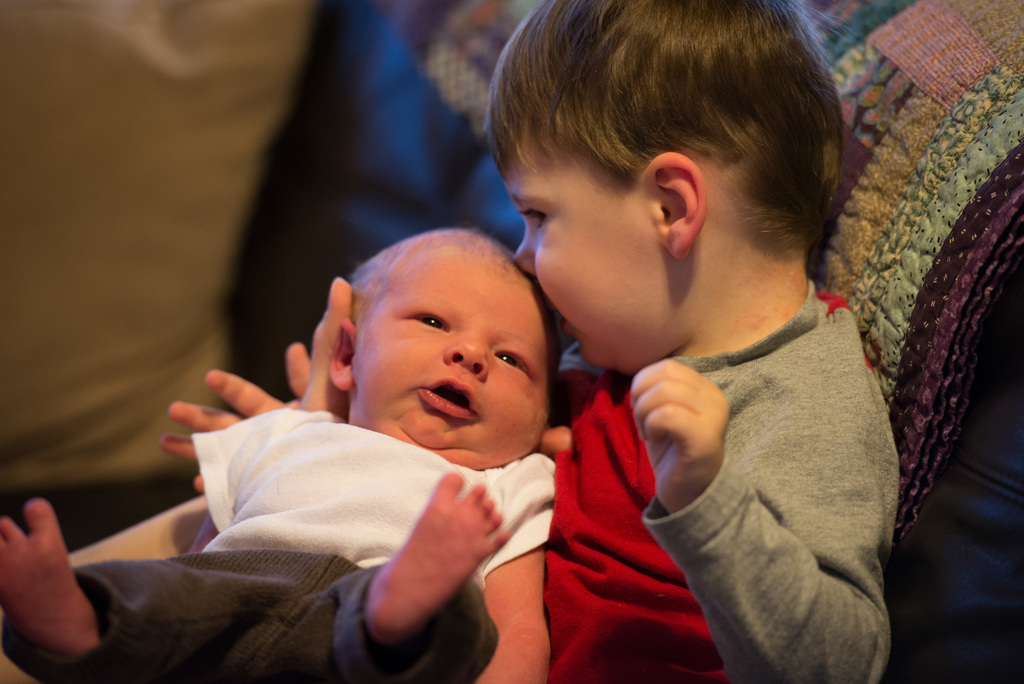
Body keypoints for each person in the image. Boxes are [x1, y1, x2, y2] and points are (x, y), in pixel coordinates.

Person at [0, 228, 558, 683]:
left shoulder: (515, 484)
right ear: (344, 355)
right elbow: (200, 559)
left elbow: (519, 629)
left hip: (365, 631)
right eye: (433, 322)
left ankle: (390, 614)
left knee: (453, 622)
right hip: (239, 588)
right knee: (159, 593)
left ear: (541, 421)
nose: (471, 354)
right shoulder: (283, 432)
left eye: (511, 359)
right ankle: (76, 622)